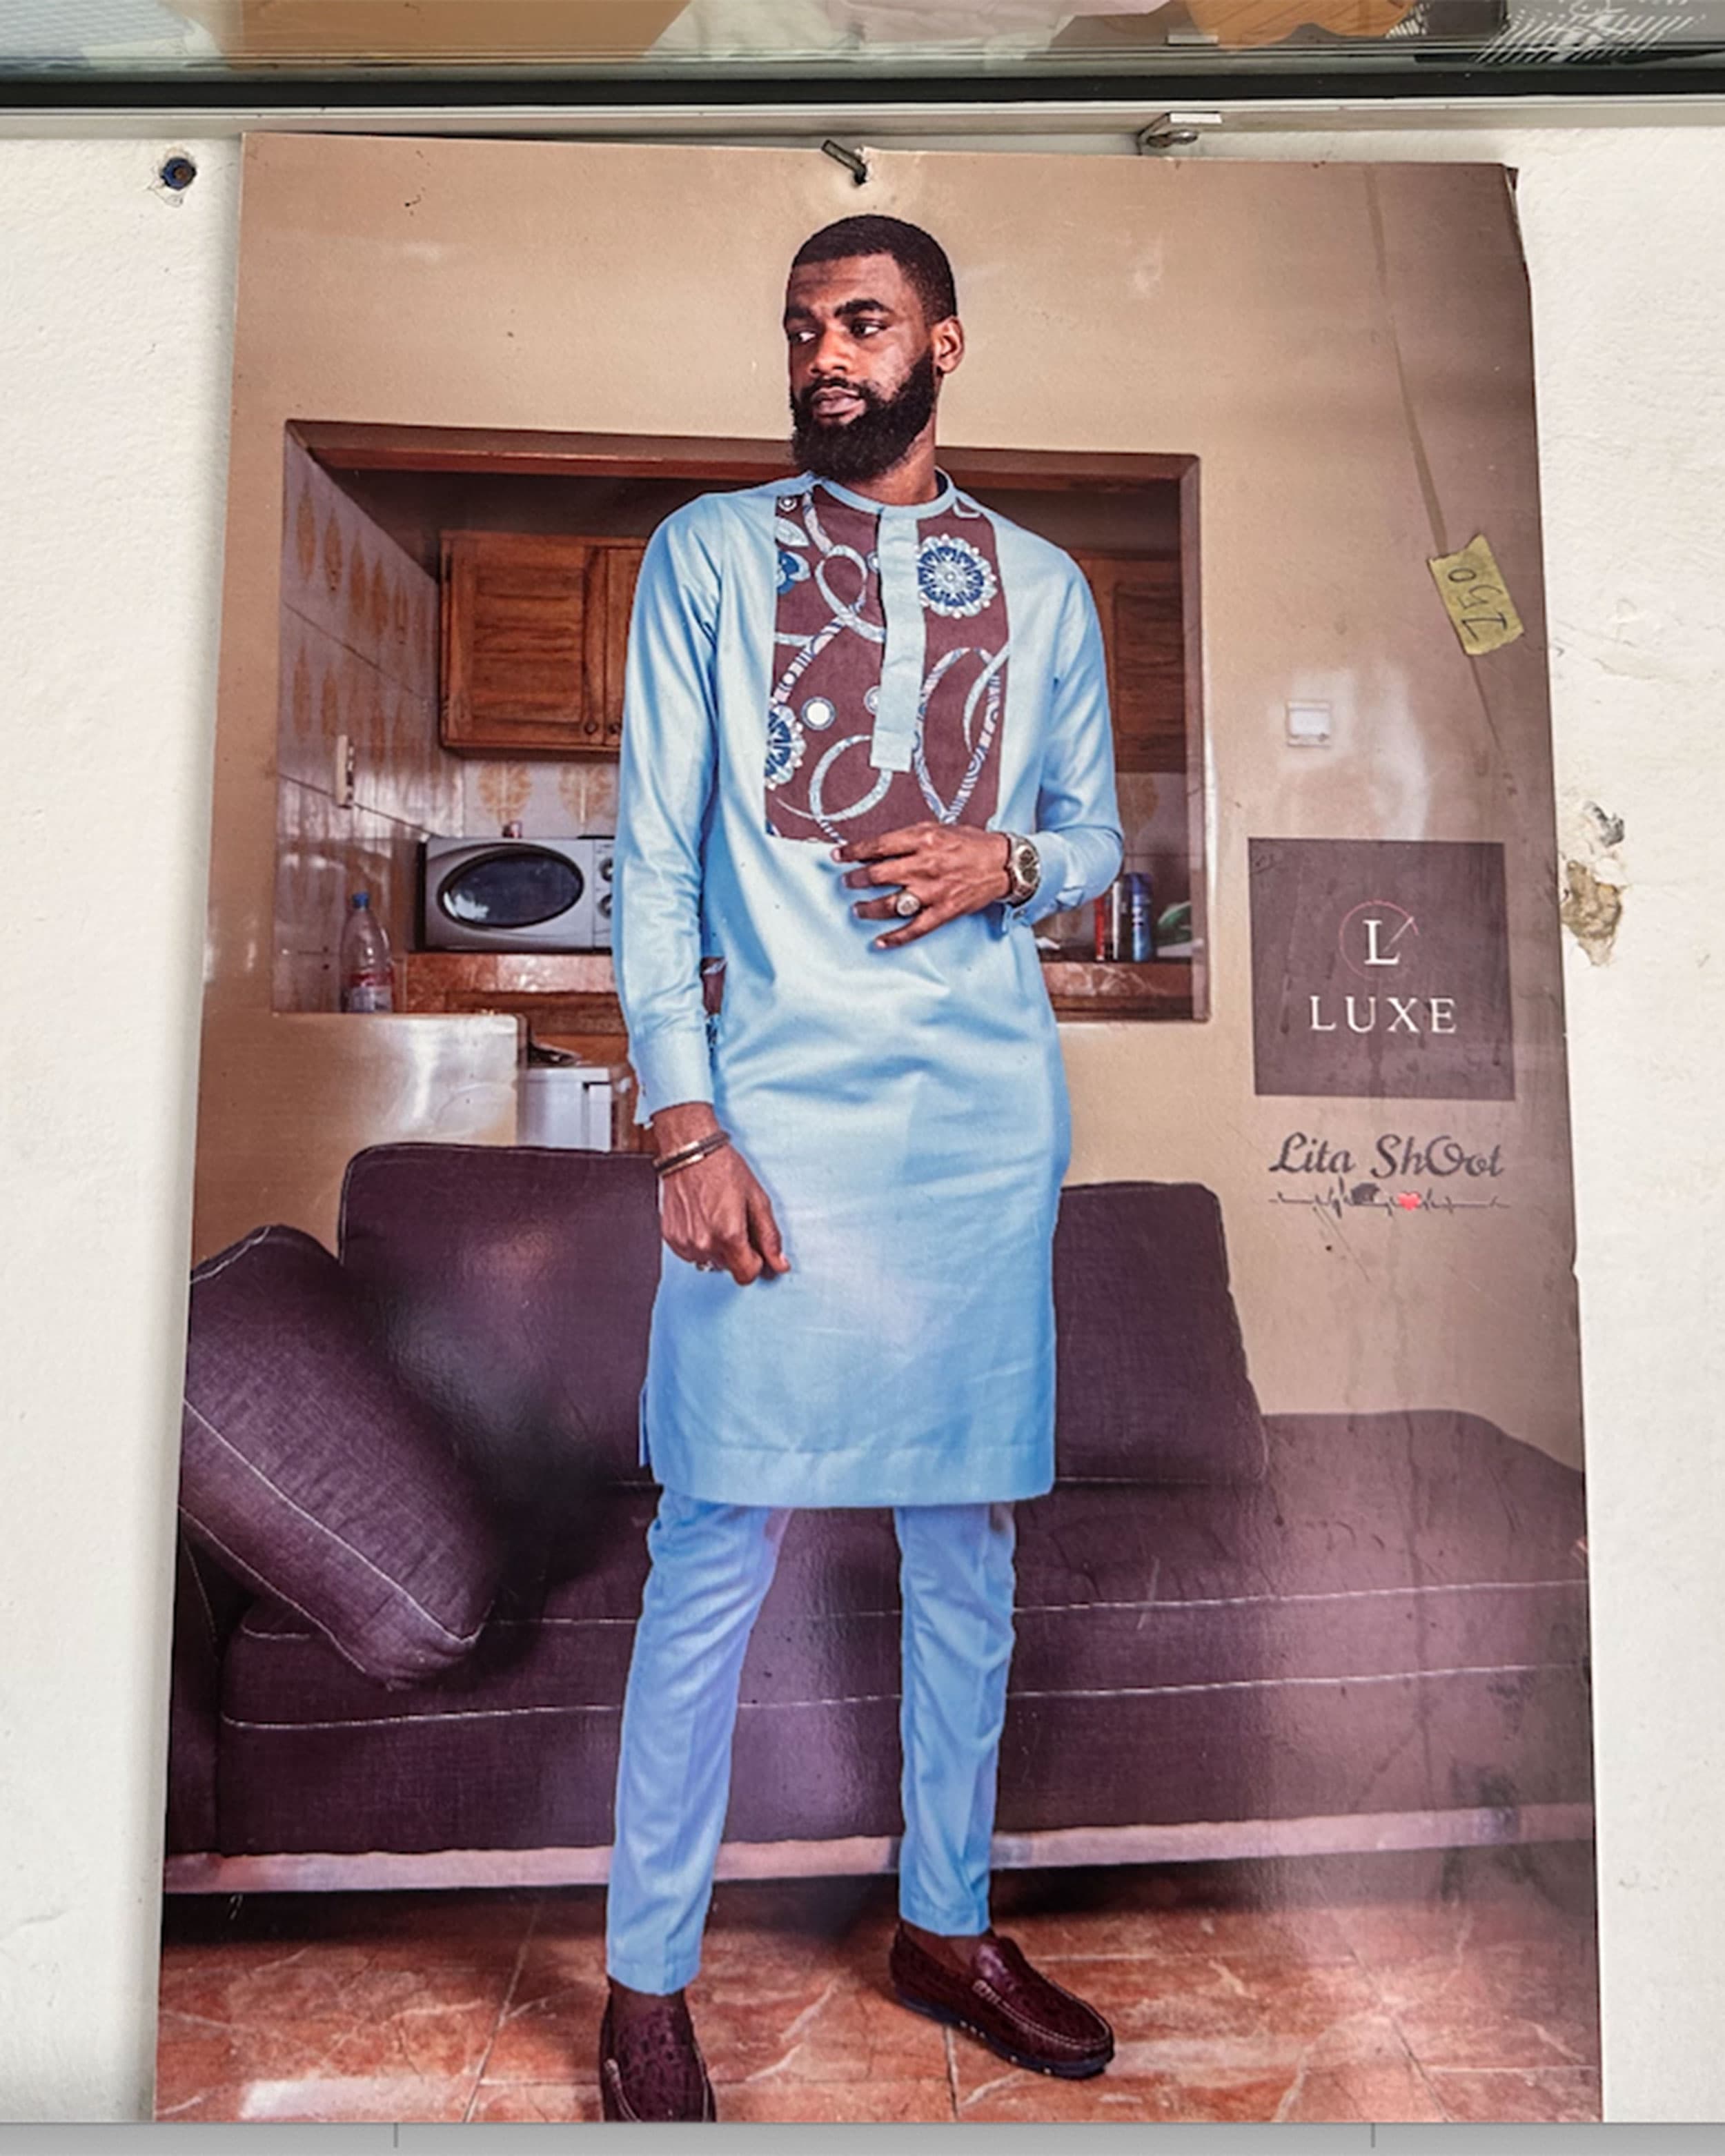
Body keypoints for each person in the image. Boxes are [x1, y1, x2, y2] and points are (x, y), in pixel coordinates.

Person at [602, 211, 1125, 2124]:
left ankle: (945, 1922)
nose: (826, 354)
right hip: (779, 1120)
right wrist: (684, 1119)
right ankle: (646, 1978)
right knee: (714, 1542)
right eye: (804, 326)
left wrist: (1020, 864)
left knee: (963, 1543)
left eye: (865, 322)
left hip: (979, 1124)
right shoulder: (708, 559)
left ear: (944, 347)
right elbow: (654, 858)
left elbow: (1095, 843)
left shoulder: (1046, 587)